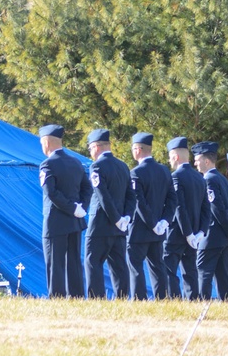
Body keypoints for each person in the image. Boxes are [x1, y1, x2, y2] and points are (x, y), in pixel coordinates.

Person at [38, 125, 90, 298]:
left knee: (55, 263)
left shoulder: (47, 164)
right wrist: (80, 208)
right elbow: (87, 188)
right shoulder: (76, 162)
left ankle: (57, 298)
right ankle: (76, 297)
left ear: (46, 142)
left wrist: (72, 208)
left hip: (56, 221)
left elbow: (51, 192)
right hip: (75, 221)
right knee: (74, 261)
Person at [84, 129, 135, 299]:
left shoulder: (96, 166)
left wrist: (116, 219)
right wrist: (126, 218)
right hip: (119, 226)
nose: (90, 152)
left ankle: (97, 298)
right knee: (119, 265)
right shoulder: (123, 166)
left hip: (101, 224)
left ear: (96, 147)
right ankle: (122, 297)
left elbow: (102, 195)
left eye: (90, 148)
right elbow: (131, 195)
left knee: (93, 262)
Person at [127, 132, 177, 300]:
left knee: (136, 266)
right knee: (157, 266)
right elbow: (172, 199)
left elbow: (139, 202)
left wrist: (153, 223)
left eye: (133, 149)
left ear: (139, 149)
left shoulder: (136, 173)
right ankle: (161, 298)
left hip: (140, 229)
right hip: (159, 230)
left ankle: (139, 299)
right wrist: (164, 221)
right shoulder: (164, 170)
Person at [192, 142, 228, 301]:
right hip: (224, 238)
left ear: (206, 161)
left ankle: (203, 305)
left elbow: (217, 209)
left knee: (203, 272)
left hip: (212, 237)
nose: (195, 163)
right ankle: (226, 305)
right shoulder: (222, 178)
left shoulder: (209, 179)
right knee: (223, 276)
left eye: (197, 160)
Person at [164, 137, 208, 299]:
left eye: (170, 157)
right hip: (195, 234)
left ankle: (174, 300)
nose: (169, 161)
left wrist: (188, 233)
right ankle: (193, 300)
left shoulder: (176, 177)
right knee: (190, 271)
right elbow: (206, 209)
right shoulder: (199, 178)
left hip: (177, 233)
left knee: (169, 270)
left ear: (175, 157)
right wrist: (200, 232)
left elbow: (179, 207)